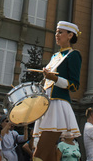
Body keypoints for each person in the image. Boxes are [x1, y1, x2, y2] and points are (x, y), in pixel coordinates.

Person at [32, 21, 82, 161]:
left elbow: (74, 85)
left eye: (60, 32)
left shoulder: (74, 55)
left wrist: (54, 79)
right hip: (47, 104)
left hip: (58, 106)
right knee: (47, 156)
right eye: (56, 32)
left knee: (38, 156)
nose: (56, 35)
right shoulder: (55, 56)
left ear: (70, 35)